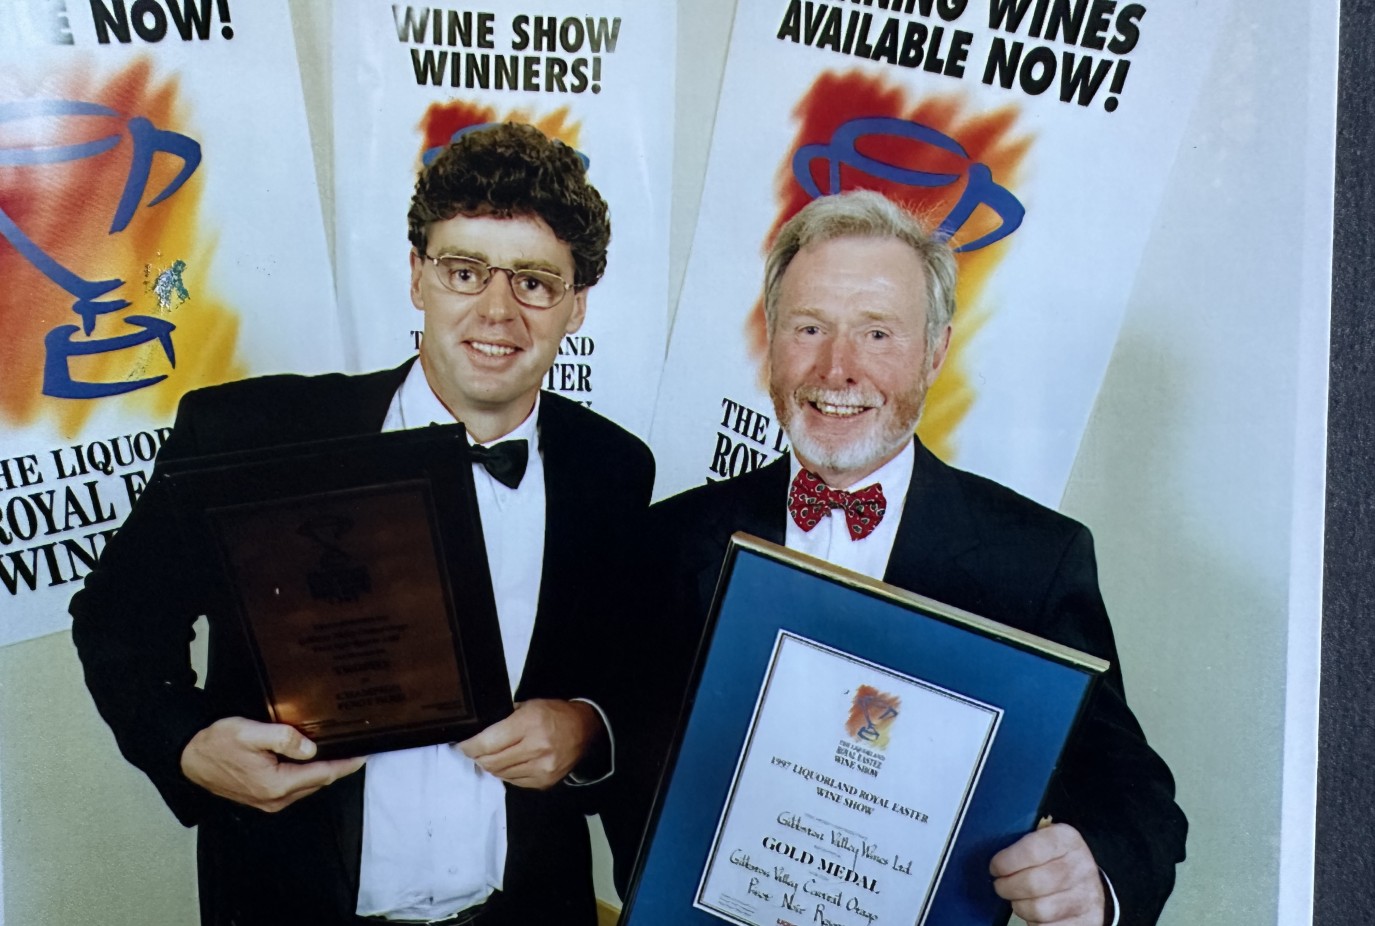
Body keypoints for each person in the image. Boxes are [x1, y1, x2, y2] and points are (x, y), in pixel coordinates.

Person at [70, 122, 653, 925]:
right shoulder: (250, 434)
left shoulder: (614, 469)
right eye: (464, 271)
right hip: (294, 903)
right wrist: (187, 745)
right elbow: (116, 617)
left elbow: (623, 672)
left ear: (575, 304)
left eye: (533, 282)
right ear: (418, 277)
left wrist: (586, 729)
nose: (497, 311)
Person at [609, 190, 1186, 926]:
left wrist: (1093, 876)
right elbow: (619, 757)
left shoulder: (1032, 559)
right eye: (809, 327)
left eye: (877, 334)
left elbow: (1132, 794)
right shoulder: (672, 538)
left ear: (936, 350)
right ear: (770, 343)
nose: (837, 368)